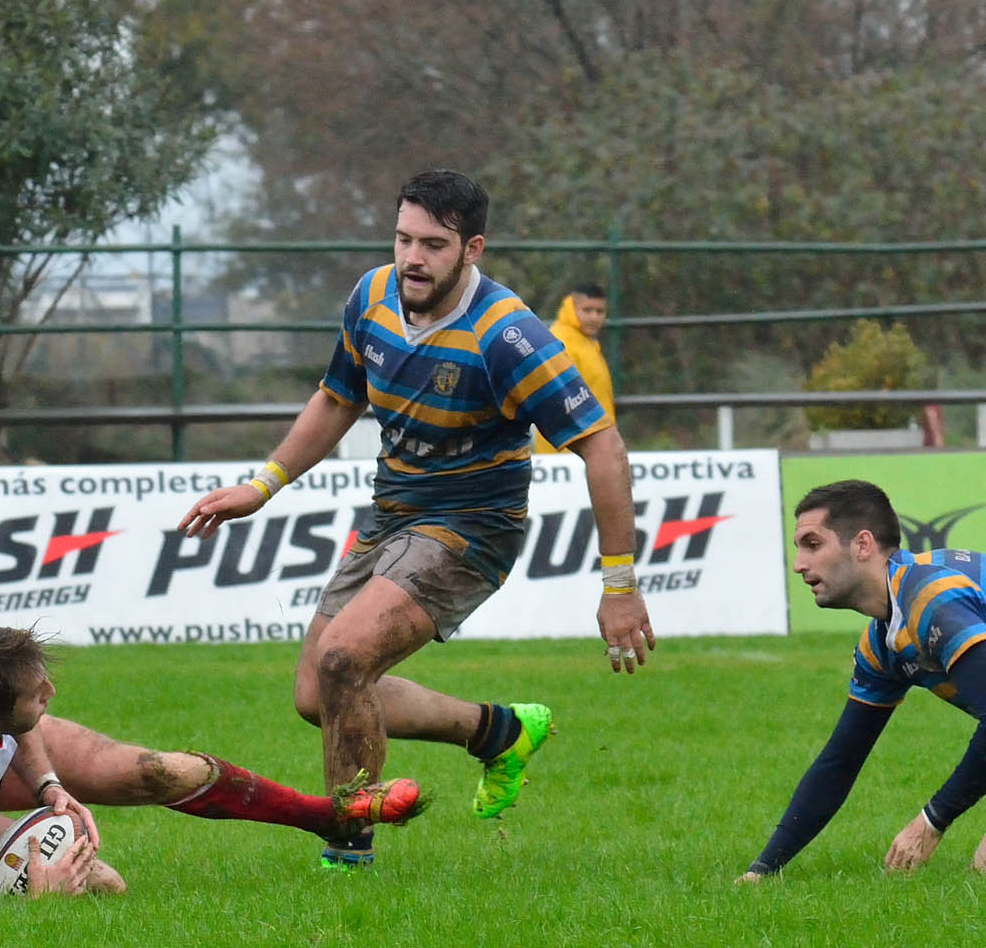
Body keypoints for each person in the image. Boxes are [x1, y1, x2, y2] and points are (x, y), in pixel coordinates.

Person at [177, 168, 655, 870]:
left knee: (345, 659)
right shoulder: (372, 296)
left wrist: (620, 585)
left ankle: (349, 852)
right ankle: (497, 731)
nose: (412, 258)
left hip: (472, 525)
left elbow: (603, 445)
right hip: (393, 512)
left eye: (433, 244)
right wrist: (264, 484)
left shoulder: (508, 335)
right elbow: (338, 398)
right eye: (403, 238)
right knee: (318, 693)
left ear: (473, 249)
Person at [0, 623, 425, 892]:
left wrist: (50, 785)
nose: (50, 695)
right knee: (104, 886)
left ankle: (327, 814)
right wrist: (38, 903)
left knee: (163, 771)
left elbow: (16, 725)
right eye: (38, 694)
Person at [737, 480, 986, 882]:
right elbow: (841, 760)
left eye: (812, 544)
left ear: (862, 545)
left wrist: (931, 821)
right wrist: (763, 870)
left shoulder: (931, 596)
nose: (799, 564)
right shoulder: (883, 642)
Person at [535, 281, 615, 455]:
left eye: (600, 311)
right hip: (569, 454)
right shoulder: (561, 342)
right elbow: (558, 404)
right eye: (587, 310)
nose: (594, 317)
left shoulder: (586, 343)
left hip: (591, 447)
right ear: (572, 307)